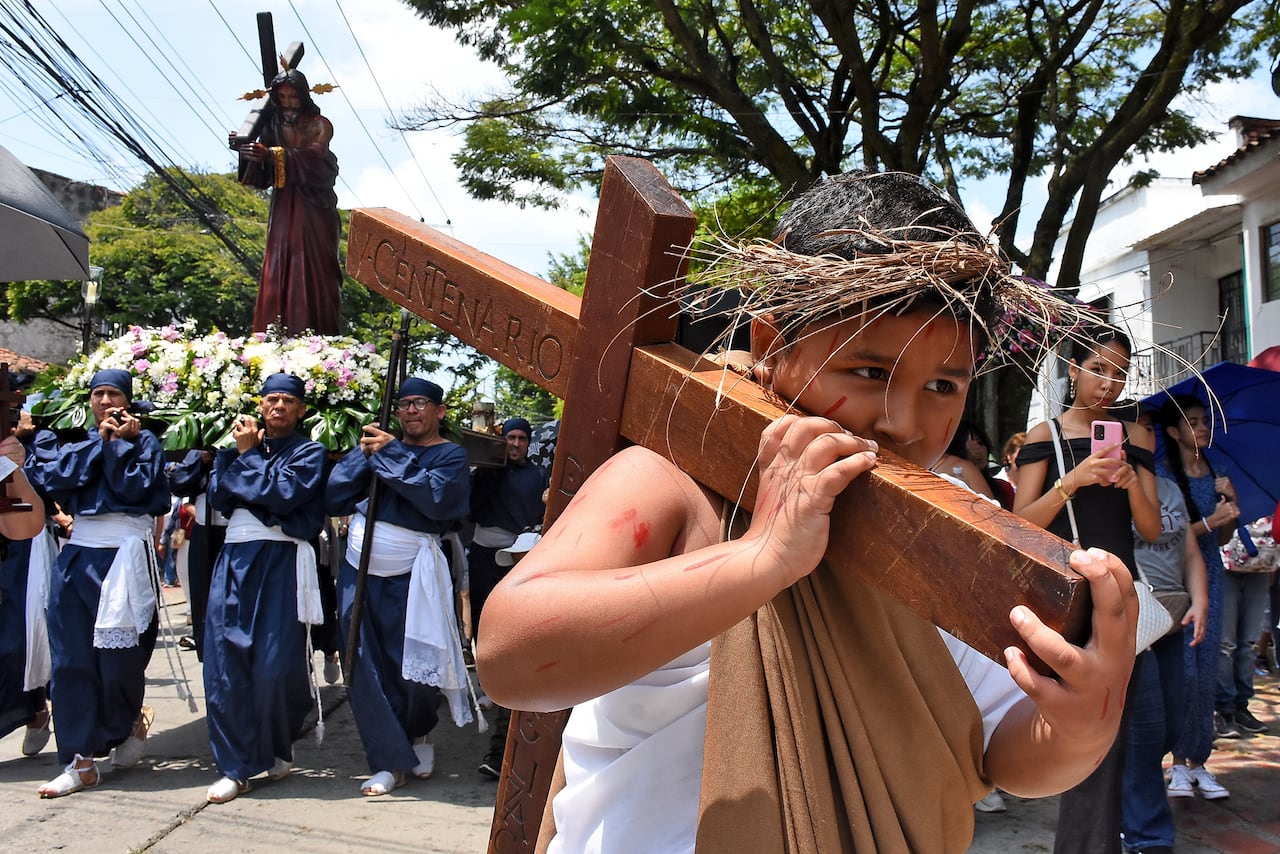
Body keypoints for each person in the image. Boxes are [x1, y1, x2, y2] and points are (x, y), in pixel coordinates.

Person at [478, 171, 1141, 852]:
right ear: (772, 346)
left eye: (944, 385)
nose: (904, 420)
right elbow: (509, 654)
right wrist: (761, 557)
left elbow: (1001, 753)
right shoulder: (678, 479)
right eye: (869, 372)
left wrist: (1082, 724)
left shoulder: (954, 530)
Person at [1014, 324, 1160, 854]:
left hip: (1122, 601)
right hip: (1071, 602)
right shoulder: (1043, 436)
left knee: (1133, 733)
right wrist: (1070, 482)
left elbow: (1150, 529)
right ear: (1073, 370)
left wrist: (1132, 482)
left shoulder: (1137, 436)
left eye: (1120, 373)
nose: (1109, 384)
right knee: (1087, 737)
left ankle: (1111, 840)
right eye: (1098, 368)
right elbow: (1020, 524)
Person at [325, 377, 473, 796]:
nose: (411, 410)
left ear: (438, 412)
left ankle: (419, 730)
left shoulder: (450, 456)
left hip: (415, 572)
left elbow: (438, 502)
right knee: (363, 662)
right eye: (405, 403)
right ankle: (390, 759)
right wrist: (363, 455)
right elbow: (335, 497)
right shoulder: (378, 448)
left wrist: (391, 456)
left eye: (420, 403)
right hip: (360, 568)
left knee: (415, 667)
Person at [26, 369, 169, 797]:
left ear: (127, 399)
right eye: (99, 394)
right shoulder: (74, 441)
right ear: (89, 401)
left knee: (119, 661)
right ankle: (79, 758)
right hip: (79, 555)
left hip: (125, 556)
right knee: (71, 660)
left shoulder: (146, 443)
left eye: (114, 393)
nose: (106, 401)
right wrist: (102, 444)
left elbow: (138, 491)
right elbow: (54, 481)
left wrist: (122, 445)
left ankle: (124, 722)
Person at [203, 373, 328, 804]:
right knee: (224, 663)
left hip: (280, 562)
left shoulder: (310, 452)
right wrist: (247, 467)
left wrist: (250, 461)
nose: (278, 406)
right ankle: (234, 767)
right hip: (235, 559)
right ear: (260, 405)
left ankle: (278, 741)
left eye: (287, 401)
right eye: (271, 399)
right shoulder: (230, 448)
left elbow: (285, 495)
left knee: (276, 666)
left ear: (301, 410)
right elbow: (220, 496)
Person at [1119, 404, 1210, 854]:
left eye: (1151, 429)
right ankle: (1147, 834)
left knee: (1173, 722)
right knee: (1146, 727)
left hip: (1173, 618)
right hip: (1134, 621)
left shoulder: (1171, 488)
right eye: (1138, 427)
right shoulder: (1112, 485)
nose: (1145, 435)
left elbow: (1190, 552)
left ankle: (1128, 800)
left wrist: (1203, 600)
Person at [1156, 395, 1241, 799]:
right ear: (1173, 432)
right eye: (1192, 421)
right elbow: (1164, 536)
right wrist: (1209, 522)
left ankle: (1200, 762)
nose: (1202, 427)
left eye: (1204, 420)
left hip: (1214, 577)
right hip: (1174, 582)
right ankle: (1176, 765)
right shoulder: (1162, 477)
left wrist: (1231, 505)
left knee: (1207, 667)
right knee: (1182, 671)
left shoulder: (1218, 472)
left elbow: (1223, 537)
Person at [230, 67, 341, 335]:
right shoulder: (272, 125)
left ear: (304, 96)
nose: (289, 103)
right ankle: (273, 332)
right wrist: (246, 150)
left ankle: (313, 334)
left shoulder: (319, 124)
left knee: (311, 265)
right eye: (283, 97)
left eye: (294, 96)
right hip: (283, 206)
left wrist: (272, 155)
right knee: (279, 263)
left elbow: (317, 157)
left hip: (314, 207)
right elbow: (261, 176)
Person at [469, 415, 549, 778]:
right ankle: (489, 681)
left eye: (521, 438)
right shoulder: (487, 472)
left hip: (522, 554)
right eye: (509, 438)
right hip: (486, 556)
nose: (515, 444)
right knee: (485, 622)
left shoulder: (537, 476)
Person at [0, 419, 55, 758]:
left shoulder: (34, 444)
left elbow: (34, 505)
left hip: (15, 549)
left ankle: (33, 709)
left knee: (12, 642)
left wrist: (18, 467)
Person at [1217, 514, 1276, 734]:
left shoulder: (1265, 486)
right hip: (1226, 565)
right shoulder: (1223, 483)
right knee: (1226, 644)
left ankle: (1241, 707)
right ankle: (1224, 710)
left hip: (1262, 564)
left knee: (1248, 642)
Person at [168, 450, 227, 659]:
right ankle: (207, 652)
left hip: (238, 533)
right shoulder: (201, 450)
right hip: (205, 534)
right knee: (203, 602)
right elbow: (178, 482)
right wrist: (199, 460)